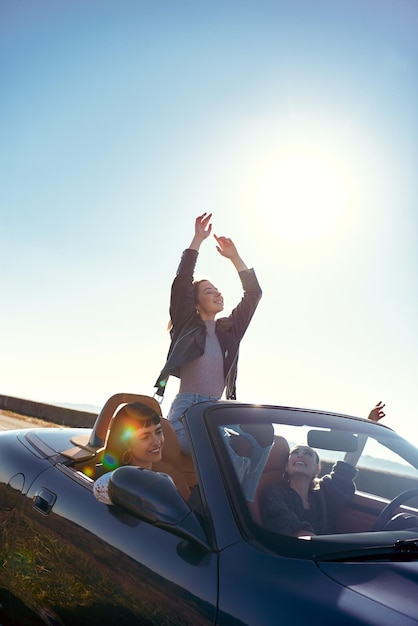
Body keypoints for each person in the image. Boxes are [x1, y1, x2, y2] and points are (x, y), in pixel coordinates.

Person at [155, 212, 263, 455]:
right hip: (187, 413)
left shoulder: (230, 331)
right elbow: (182, 282)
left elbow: (253, 294)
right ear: (195, 303)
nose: (217, 294)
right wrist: (197, 240)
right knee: (217, 453)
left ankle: (240, 495)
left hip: (218, 413)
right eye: (208, 292)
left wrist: (235, 258)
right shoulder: (186, 324)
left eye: (217, 290)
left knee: (264, 443)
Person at [260, 402, 386, 537]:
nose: (301, 455)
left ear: (317, 468)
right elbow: (288, 523)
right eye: (295, 453)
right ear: (286, 466)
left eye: (308, 454)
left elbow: (348, 465)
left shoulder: (324, 494)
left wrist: (367, 425)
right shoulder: (276, 493)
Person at [93, 402, 165, 505]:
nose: (157, 442)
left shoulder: (164, 480)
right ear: (126, 444)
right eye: (145, 437)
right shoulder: (111, 486)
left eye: (158, 432)